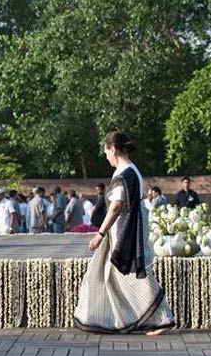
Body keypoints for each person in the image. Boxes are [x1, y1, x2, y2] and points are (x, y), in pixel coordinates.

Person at [74, 131, 174, 336]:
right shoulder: (128, 170)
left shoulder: (126, 172)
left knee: (133, 268)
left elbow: (117, 205)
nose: (106, 156)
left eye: (106, 152)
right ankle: (111, 317)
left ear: (113, 148)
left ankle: (162, 318)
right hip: (125, 226)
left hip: (126, 228)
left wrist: (100, 233)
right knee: (109, 273)